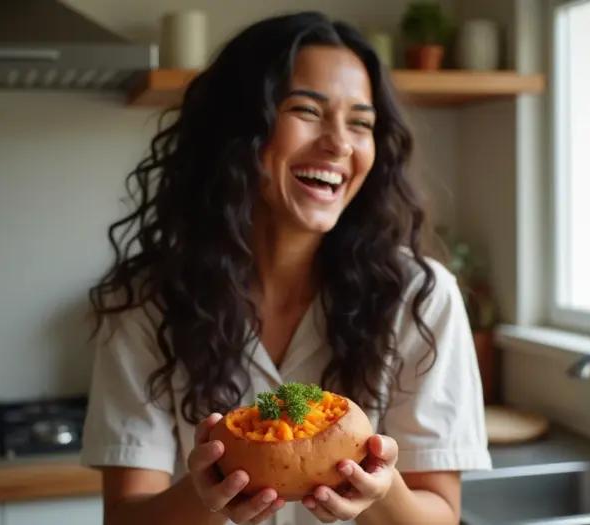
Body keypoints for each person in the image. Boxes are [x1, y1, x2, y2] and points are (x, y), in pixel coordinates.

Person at [80, 10, 491, 525]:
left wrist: (381, 493)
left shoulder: (421, 298)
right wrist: (208, 496)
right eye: (307, 110)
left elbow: (442, 515)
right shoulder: (147, 302)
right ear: (237, 129)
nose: (340, 143)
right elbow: (125, 519)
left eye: (360, 122)